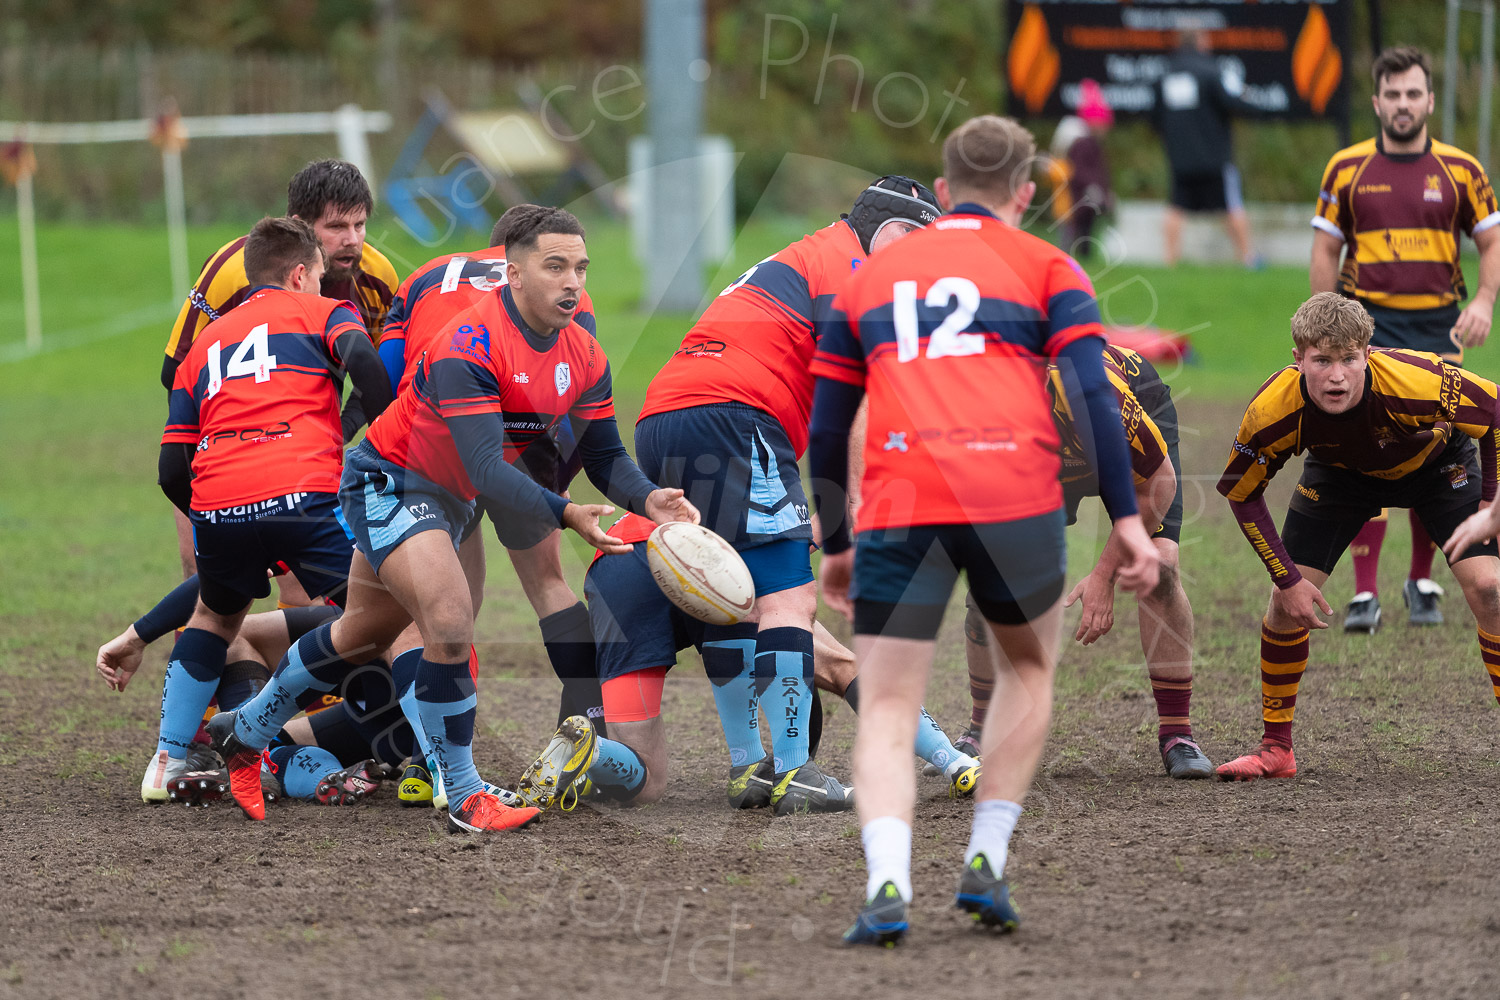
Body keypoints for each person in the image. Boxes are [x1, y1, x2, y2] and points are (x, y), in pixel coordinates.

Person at [209, 207, 699, 834]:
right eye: (554, 267)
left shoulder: (584, 353)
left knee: (360, 631)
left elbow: (604, 452)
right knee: (448, 617)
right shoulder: (469, 342)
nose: (572, 282)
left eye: (580, 267)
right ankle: (465, 794)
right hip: (391, 478)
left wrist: (649, 497)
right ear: (512, 273)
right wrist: (568, 512)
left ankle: (244, 730)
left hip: (449, 495)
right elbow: (488, 467)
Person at [808, 115, 1159, 945]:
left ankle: (887, 883)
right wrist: (1132, 521)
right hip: (1015, 501)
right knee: (1027, 674)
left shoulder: (875, 277)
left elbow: (827, 427)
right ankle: (986, 863)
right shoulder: (1047, 266)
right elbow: (1097, 399)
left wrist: (835, 540)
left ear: (941, 190)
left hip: (903, 501)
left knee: (889, 702)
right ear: (1028, 191)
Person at [633, 175, 940, 815]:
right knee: (790, 600)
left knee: (738, 597)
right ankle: (796, 769)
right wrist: (854, 505)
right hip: (736, 414)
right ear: (894, 235)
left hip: (663, 418)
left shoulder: (809, 255)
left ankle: (755, 764)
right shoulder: (856, 271)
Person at [145, 216, 393, 802]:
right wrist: (374, 434)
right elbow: (362, 358)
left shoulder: (205, 344)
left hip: (219, 500)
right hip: (306, 495)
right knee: (387, 613)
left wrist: (209, 520)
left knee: (214, 616)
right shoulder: (325, 311)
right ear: (301, 272)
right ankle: (434, 767)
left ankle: (166, 761)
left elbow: (169, 470)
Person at [1215, 292, 1500, 781]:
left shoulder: (1419, 380)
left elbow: (1495, 411)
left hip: (1438, 467)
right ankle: (1276, 749)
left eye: (1349, 359)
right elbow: (1242, 494)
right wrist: (1287, 580)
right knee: (1284, 608)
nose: (1337, 375)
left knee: (1490, 588)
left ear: (1368, 355)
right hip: (1341, 476)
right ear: (1298, 359)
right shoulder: (1273, 410)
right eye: (1321, 360)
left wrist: (1491, 503)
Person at [544, 511, 979, 812]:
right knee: (839, 665)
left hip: (617, 567)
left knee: (644, 776)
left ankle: (592, 750)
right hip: (712, 557)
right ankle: (954, 763)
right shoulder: (789, 507)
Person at [379, 204, 608, 735]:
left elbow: (389, 379)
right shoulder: (569, 289)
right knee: (549, 582)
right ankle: (588, 719)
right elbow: (574, 388)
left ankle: (426, 750)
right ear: (518, 261)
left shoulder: (422, 278)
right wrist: (557, 489)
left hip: (434, 448)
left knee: (444, 611)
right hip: (523, 445)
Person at [1309, 45, 1500, 633]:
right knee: (1366, 446)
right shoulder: (1346, 168)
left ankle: (1422, 576)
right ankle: (1365, 593)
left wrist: (1485, 300)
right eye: (1392, 95)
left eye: (1413, 93)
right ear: (1376, 102)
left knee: (1433, 442)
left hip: (1437, 328)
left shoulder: (1462, 170)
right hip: (1366, 329)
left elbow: (1490, 241)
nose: (1402, 104)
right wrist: (1324, 318)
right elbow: (1325, 248)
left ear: (1429, 100)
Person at [958, 345, 1211, 779]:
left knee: (1160, 566)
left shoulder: (1093, 394)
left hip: (1125, 438)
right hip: (1045, 466)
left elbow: (1158, 485)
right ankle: (981, 728)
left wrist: (1103, 575)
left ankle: (1177, 733)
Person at [160, 159, 399, 613]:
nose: (352, 239)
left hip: (306, 451)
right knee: (202, 574)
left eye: (360, 224)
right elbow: (176, 371)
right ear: (300, 228)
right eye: (336, 227)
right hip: (223, 439)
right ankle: (220, 679)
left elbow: (380, 373)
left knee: (307, 579)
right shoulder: (233, 271)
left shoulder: (378, 278)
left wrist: (342, 429)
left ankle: (310, 683)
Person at [1152, 30, 1261, 267]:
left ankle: (1169, 261)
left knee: (1175, 207)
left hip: (1180, 158)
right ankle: (1248, 258)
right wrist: (1250, 99)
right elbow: (1231, 103)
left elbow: (1156, 117)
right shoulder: (1211, 71)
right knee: (1231, 205)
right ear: (1201, 42)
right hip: (1213, 157)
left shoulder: (1165, 74)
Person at [1045, 78, 1115, 258]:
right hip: (1074, 201)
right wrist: (1095, 187)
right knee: (1070, 234)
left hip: (1084, 202)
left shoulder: (1090, 143)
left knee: (1083, 235)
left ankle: (1077, 258)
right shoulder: (1082, 144)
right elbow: (1079, 171)